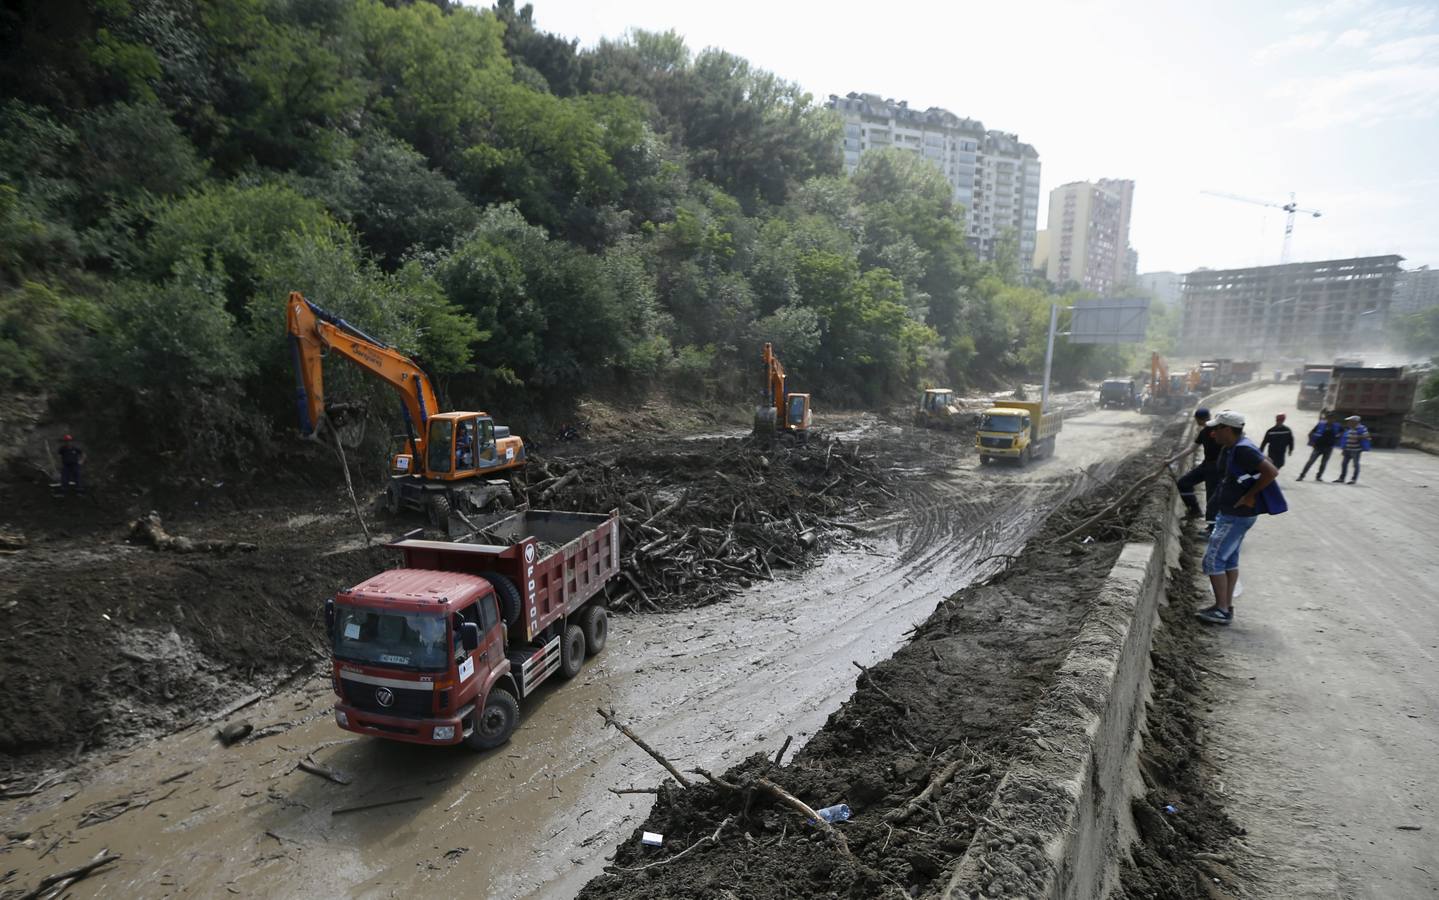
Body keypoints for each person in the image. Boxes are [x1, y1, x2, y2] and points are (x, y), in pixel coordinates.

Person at [1197, 410, 1282, 625]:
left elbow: (1271, 471)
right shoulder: (1236, 446)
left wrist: (1249, 495)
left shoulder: (1243, 449)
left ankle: (1222, 610)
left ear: (1227, 429)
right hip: (1233, 514)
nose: (1213, 434)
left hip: (1236, 515)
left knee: (1213, 560)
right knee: (1228, 560)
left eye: (1216, 429)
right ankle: (1224, 606)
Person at [1176, 408, 1223, 528]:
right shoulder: (1203, 432)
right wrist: (1173, 459)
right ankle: (1195, 510)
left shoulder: (1218, 431)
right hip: (1206, 465)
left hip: (1216, 468)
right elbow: (1192, 448)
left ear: (1199, 419)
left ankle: (1212, 529)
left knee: (1212, 498)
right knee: (1183, 483)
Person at [1296, 411, 1341, 481]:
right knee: (1310, 462)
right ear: (1326, 418)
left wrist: (1338, 438)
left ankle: (1319, 477)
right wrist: (1312, 442)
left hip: (1328, 448)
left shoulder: (1337, 426)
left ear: (1334, 419)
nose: (1330, 420)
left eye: (1332, 418)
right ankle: (1302, 475)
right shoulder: (1320, 425)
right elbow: (1311, 433)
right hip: (1318, 447)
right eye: (1329, 418)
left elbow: (1343, 433)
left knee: (1323, 463)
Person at [1337, 415, 1371, 484]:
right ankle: (1341, 478)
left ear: (1355, 421)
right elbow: (1346, 439)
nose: (1348, 422)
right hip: (1347, 449)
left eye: (1350, 421)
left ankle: (1353, 479)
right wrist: (1344, 449)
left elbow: (1367, 436)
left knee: (1355, 464)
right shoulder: (1350, 428)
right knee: (1344, 464)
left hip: (1356, 450)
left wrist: (1357, 437)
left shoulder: (1361, 428)